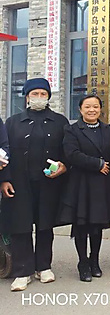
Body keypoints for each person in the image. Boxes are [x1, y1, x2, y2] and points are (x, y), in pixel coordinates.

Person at [0, 78, 69, 292]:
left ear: (48, 96)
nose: (39, 97)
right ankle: (23, 271)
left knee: (45, 225)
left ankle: (43, 266)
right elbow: (4, 153)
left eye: (43, 94)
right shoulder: (13, 122)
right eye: (34, 94)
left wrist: (64, 166)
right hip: (19, 183)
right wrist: (4, 180)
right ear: (27, 97)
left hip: (48, 183)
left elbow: (68, 151)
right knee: (20, 226)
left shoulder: (59, 121)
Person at [58, 95, 110, 282]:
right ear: (80, 109)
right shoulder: (72, 130)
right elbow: (71, 154)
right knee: (81, 225)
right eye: (87, 107)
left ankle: (94, 260)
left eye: (95, 106)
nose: (92, 110)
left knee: (97, 225)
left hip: (102, 184)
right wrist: (97, 164)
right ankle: (83, 262)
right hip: (81, 184)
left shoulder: (108, 129)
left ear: (100, 109)